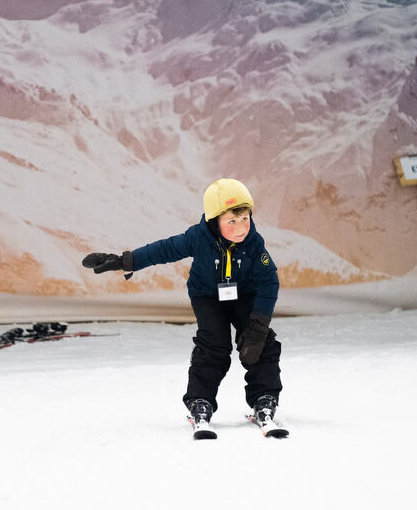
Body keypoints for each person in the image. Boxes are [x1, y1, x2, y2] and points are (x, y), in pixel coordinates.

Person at [82, 178, 284, 438]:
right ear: (214, 221)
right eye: (231, 221)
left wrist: (258, 324)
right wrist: (126, 261)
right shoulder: (198, 237)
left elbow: (269, 281)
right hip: (207, 296)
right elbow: (165, 249)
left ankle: (264, 398)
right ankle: (201, 402)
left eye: (244, 218)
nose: (241, 228)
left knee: (259, 342)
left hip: (244, 294)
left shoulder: (254, 243)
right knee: (214, 346)